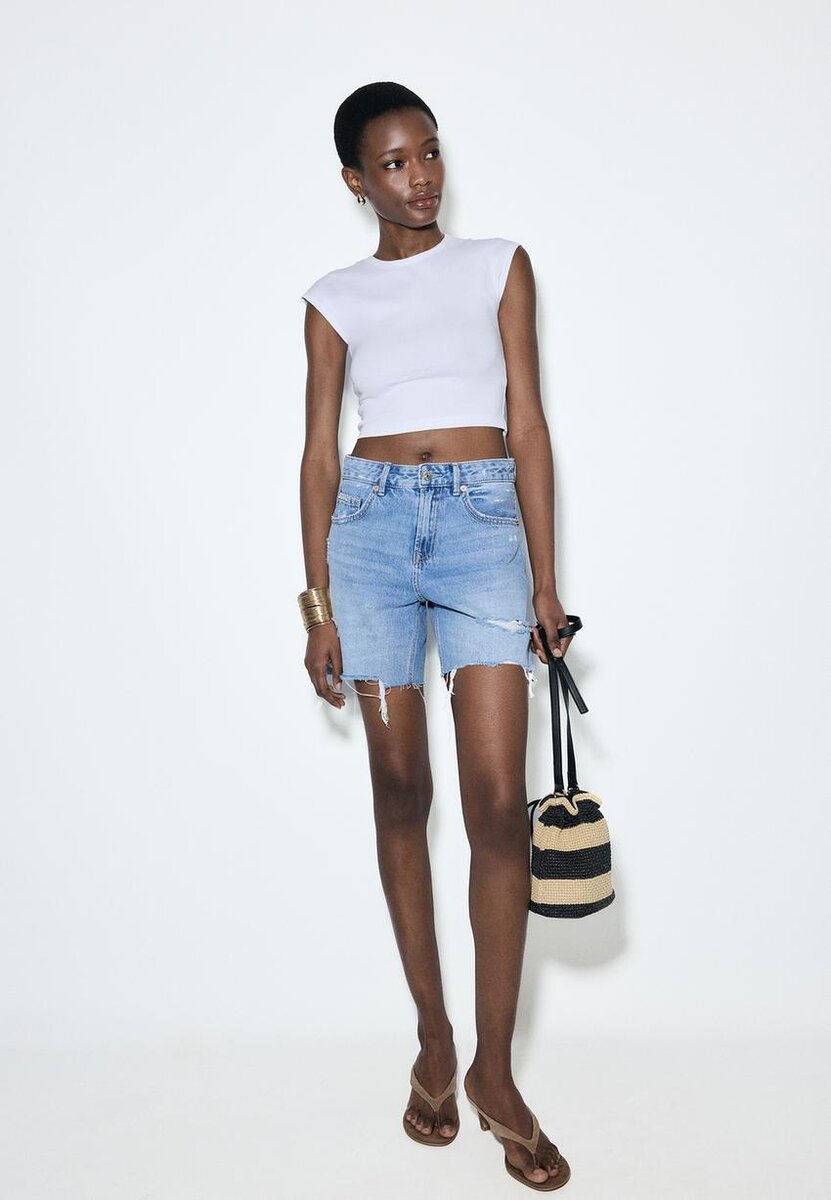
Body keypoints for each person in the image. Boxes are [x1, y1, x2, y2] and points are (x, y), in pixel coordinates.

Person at [298, 81, 573, 1191]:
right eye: (394, 164)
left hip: (480, 528)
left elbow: (530, 421)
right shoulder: (333, 299)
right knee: (400, 791)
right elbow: (317, 453)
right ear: (355, 180)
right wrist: (317, 606)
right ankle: (432, 1039)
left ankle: (494, 1073)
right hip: (367, 536)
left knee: (499, 806)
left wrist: (545, 581)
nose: (421, 178)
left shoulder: (500, 265)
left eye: (430, 154)